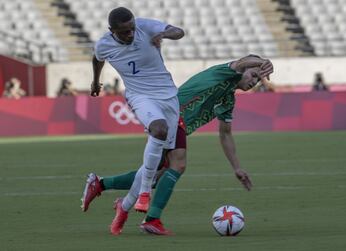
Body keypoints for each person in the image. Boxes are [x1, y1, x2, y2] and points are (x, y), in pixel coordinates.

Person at [81, 54, 274, 235]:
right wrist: (263, 60)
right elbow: (241, 62)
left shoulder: (228, 99)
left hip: (175, 123)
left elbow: (225, 134)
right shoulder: (224, 73)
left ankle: (101, 184)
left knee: (156, 175)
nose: (253, 81)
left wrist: (237, 167)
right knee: (177, 165)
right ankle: (151, 219)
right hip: (171, 115)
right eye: (253, 75)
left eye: (257, 79)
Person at [82, 6, 185, 235]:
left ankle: (123, 204)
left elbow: (179, 32)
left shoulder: (145, 26)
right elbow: (97, 59)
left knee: (161, 164)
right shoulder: (104, 44)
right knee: (158, 130)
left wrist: (164, 34)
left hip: (168, 96)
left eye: (131, 29)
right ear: (112, 31)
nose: (130, 34)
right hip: (140, 96)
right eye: (124, 32)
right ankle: (145, 193)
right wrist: (95, 81)